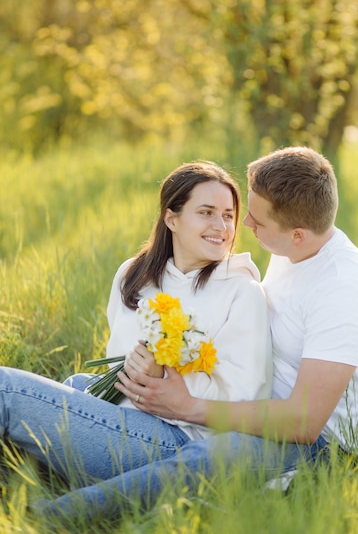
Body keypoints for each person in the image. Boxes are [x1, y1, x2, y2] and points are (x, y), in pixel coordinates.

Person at [35, 146, 358, 522]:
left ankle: (51, 518)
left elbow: (303, 423)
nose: (245, 224)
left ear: (297, 235)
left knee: (209, 457)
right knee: (78, 385)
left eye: (256, 219)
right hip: (258, 409)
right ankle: (44, 474)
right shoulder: (294, 250)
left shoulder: (341, 290)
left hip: (315, 443)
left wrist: (189, 406)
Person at [0, 162, 272, 501]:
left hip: (176, 439)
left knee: (5, 389)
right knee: (76, 385)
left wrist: (161, 377)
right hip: (119, 419)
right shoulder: (133, 274)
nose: (221, 226)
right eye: (207, 212)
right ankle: (23, 491)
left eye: (229, 215)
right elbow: (120, 359)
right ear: (172, 218)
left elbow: (247, 394)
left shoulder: (242, 291)